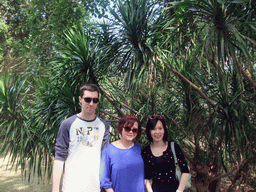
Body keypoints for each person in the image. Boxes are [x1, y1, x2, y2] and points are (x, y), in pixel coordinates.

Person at [52, 84, 110, 192]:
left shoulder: (103, 126)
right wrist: (55, 189)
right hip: (71, 186)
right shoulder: (68, 124)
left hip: (95, 187)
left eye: (95, 100)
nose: (91, 103)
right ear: (80, 99)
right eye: (87, 99)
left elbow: (105, 159)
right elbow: (59, 157)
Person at [142, 115, 190, 192]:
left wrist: (179, 190)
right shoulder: (146, 151)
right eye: (153, 129)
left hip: (175, 189)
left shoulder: (174, 147)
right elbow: (146, 176)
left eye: (160, 128)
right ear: (149, 131)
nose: (157, 132)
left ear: (164, 129)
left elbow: (185, 170)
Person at [100, 114, 145, 192]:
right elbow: (104, 180)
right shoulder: (109, 151)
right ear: (121, 128)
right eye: (127, 129)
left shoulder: (139, 149)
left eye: (134, 130)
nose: (131, 132)